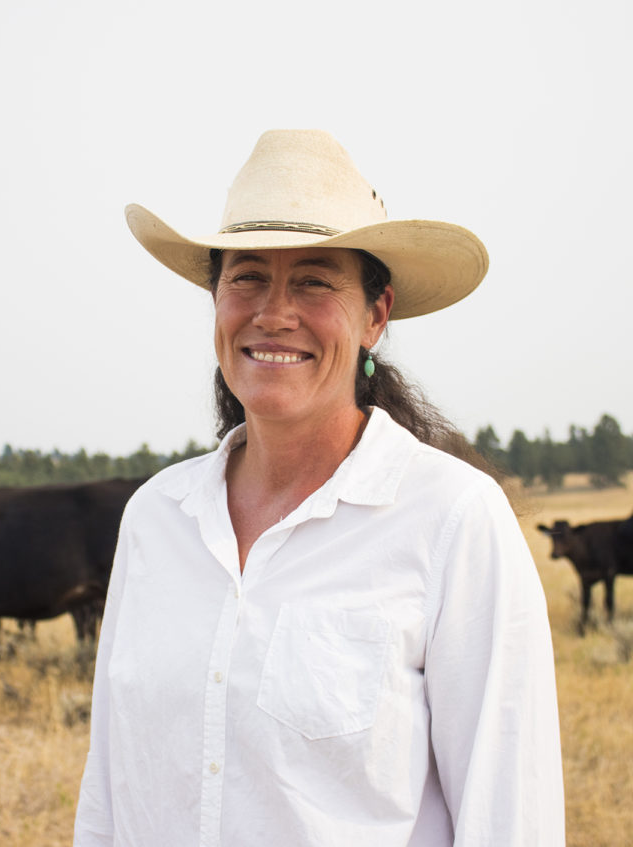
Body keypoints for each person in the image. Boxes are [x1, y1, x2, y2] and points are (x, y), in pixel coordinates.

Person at [74, 130, 565, 846]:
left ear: (376, 315)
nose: (274, 312)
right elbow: (110, 798)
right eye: (246, 276)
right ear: (215, 300)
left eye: (313, 279)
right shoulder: (156, 519)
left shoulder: (454, 520)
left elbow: (509, 821)